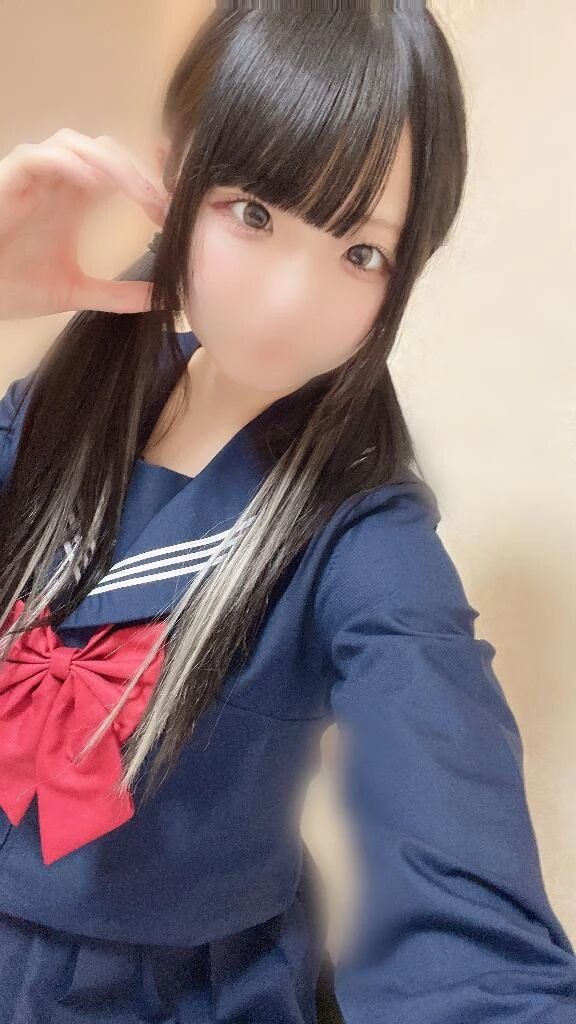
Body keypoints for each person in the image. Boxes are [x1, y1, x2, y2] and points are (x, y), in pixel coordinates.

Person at [0, 5, 574, 1022]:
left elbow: (456, 881)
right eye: (255, 213)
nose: (284, 303)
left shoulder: (366, 539)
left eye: (361, 252)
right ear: (175, 180)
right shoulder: (67, 402)